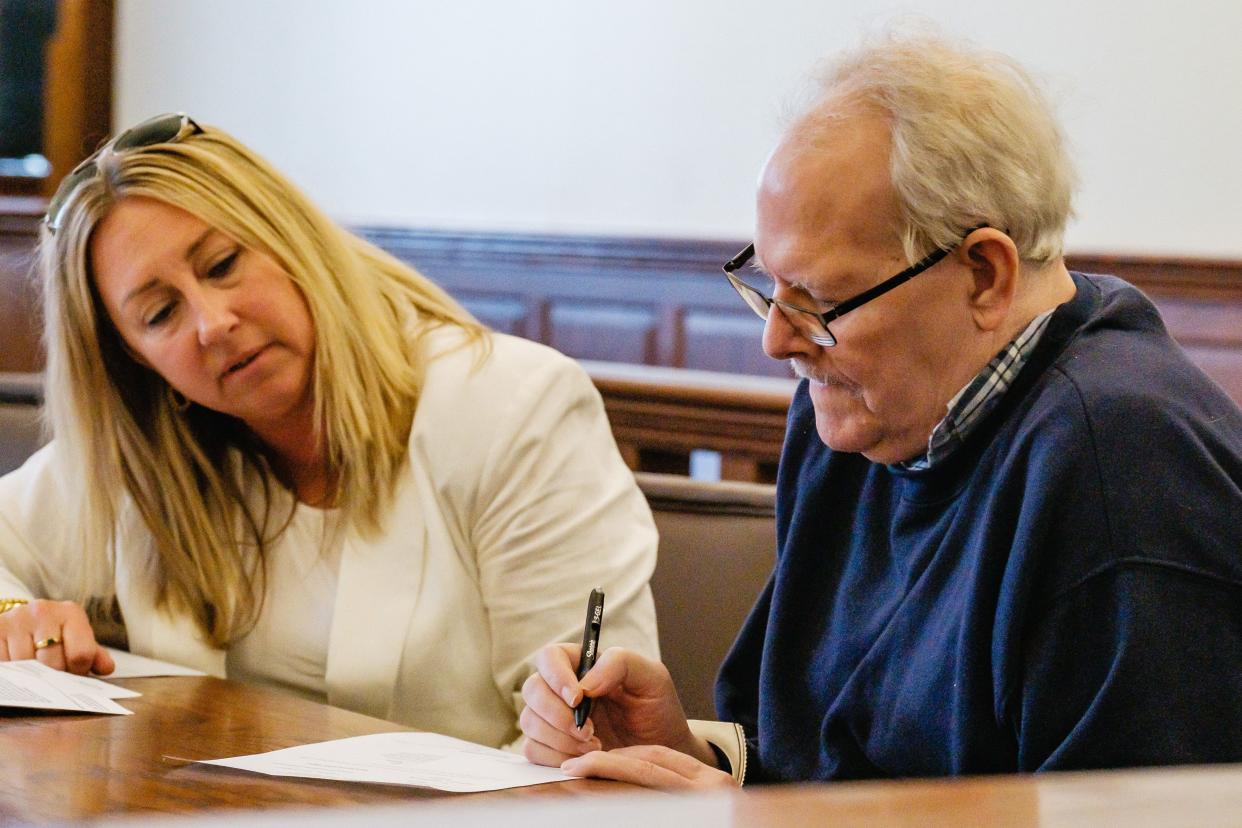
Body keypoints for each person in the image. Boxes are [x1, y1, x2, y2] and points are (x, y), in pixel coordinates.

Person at [520, 32, 1242, 786]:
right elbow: (824, 765)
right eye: (770, 288)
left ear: (985, 276)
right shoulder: (860, 415)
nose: (776, 342)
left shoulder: (1121, 471)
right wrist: (696, 755)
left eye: (821, 303)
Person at [0, 113, 660, 749]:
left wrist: (567, 738)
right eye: (161, 312)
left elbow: (596, 730)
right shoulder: (142, 452)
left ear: (290, 240)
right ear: (136, 362)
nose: (213, 322)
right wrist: (14, 619)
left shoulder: (514, 405)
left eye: (223, 264)